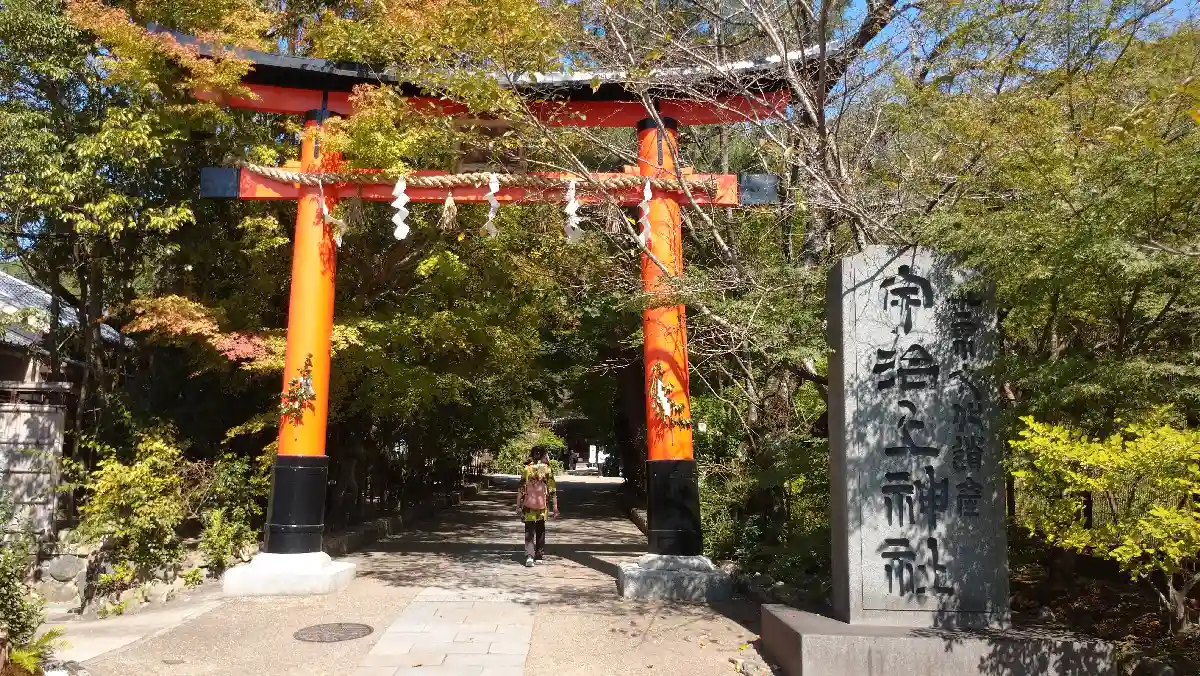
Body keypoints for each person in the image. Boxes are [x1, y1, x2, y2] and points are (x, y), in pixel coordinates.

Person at [516, 445, 558, 567]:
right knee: (541, 530)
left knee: (529, 531)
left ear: (532, 455)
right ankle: (539, 555)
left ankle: (529, 556)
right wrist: (555, 507)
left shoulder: (527, 469)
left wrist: (518, 505)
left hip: (528, 506)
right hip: (542, 506)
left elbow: (521, 488)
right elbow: (552, 489)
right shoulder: (547, 469)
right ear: (543, 455)